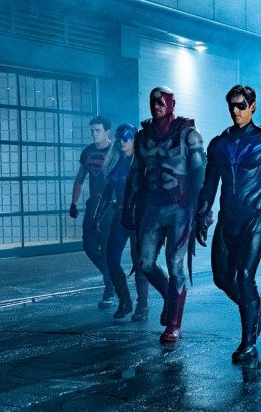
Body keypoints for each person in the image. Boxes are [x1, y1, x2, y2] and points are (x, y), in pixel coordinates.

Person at [195, 85, 261, 363]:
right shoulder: (219, 144)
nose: (236, 111)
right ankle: (255, 307)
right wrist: (201, 215)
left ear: (253, 106)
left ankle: (248, 342)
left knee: (245, 277)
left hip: (255, 218)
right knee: (222, 278)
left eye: (241, 105)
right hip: (228, 218)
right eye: (232, 106)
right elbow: (209, 184)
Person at [122, 86, 206, 343]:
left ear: (172, 103)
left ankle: (173, 324)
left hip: (180, 207)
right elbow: (135, 174)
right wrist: (128, 207)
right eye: (153, 102)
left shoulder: (188, 134)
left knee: (175, 263)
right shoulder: (143, 136)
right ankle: (171, 299)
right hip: (152, 206)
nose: (157, 105)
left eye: (162, 102)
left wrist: (202, 211)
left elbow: (200, 174)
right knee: (145, 263)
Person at [92, 123, 150, 321]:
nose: (123, 142)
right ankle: (125, 301)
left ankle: (142, 305)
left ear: (134, 139)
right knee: (111, 259)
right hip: (120, 216)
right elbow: (107, 194)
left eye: (127, 138)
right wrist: (98, 216)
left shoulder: (143, 164)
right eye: (120, 138)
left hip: (139, 218)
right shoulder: (115, 162)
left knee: (139, 262)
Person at [69, 116, 115, 309]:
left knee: (105, 247)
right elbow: (80, 178)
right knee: (88, 245)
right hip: (94, 202)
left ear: (107, 132)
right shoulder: (87, 152)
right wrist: (73, 203)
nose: (94, 134)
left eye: (98, 130)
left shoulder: (116, 151)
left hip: (111, 205)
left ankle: (110, 288)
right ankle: (112, 277)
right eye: (92, 131)